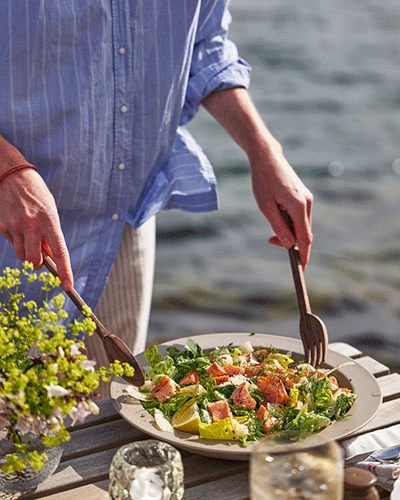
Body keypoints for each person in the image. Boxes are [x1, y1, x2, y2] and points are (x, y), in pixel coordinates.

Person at [0, 1, 313, 373]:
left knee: (117, 413)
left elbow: (204, 44)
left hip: (125, 221)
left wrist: (263, 150)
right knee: (13, 420)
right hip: (13, 231)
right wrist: (6, 168)